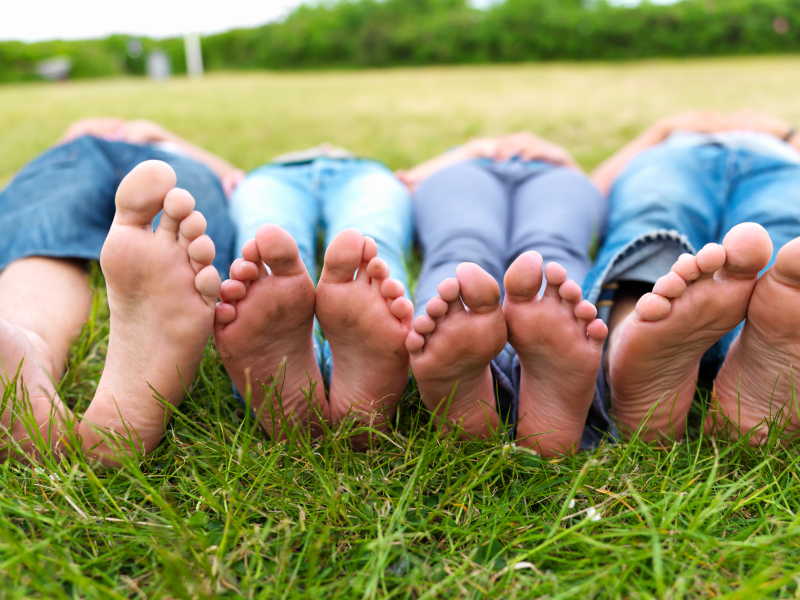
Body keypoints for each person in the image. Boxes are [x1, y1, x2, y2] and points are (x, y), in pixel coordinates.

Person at [0, 118, 238, 465]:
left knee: (42, 240)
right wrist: (76, 133)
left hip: (91, 160)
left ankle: (34, 341)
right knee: (41, 230)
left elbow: (234, 177)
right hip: (80, 155)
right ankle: (26, 352)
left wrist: (159, 133)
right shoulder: (79, 135)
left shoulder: (157, 141)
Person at [584, 109, 800, 444]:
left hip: (782, 163)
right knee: (654, 213)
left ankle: (754, 357)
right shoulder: (672, 138)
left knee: (786, 251)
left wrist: (787, 136)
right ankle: (745, 368)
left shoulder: (785, 143)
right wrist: (662, 129)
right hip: (680, 155)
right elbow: (590, 192)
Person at [401, 132, 609, 456]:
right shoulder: (463, 156)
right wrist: (465, 151)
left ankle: (468, 368)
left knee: (463, 254)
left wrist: (562, 158)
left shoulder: (556, 162)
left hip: (549, 172)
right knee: (549, 254)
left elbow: (607, 185)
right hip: (482, 168)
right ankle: (538, 374)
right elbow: (402, 182)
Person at [212, 144, 415, 441]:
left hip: (295, 173)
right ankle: (356, 387)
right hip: (307, 173)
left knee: (273, 249)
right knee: (365, 247)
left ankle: (298, 379)